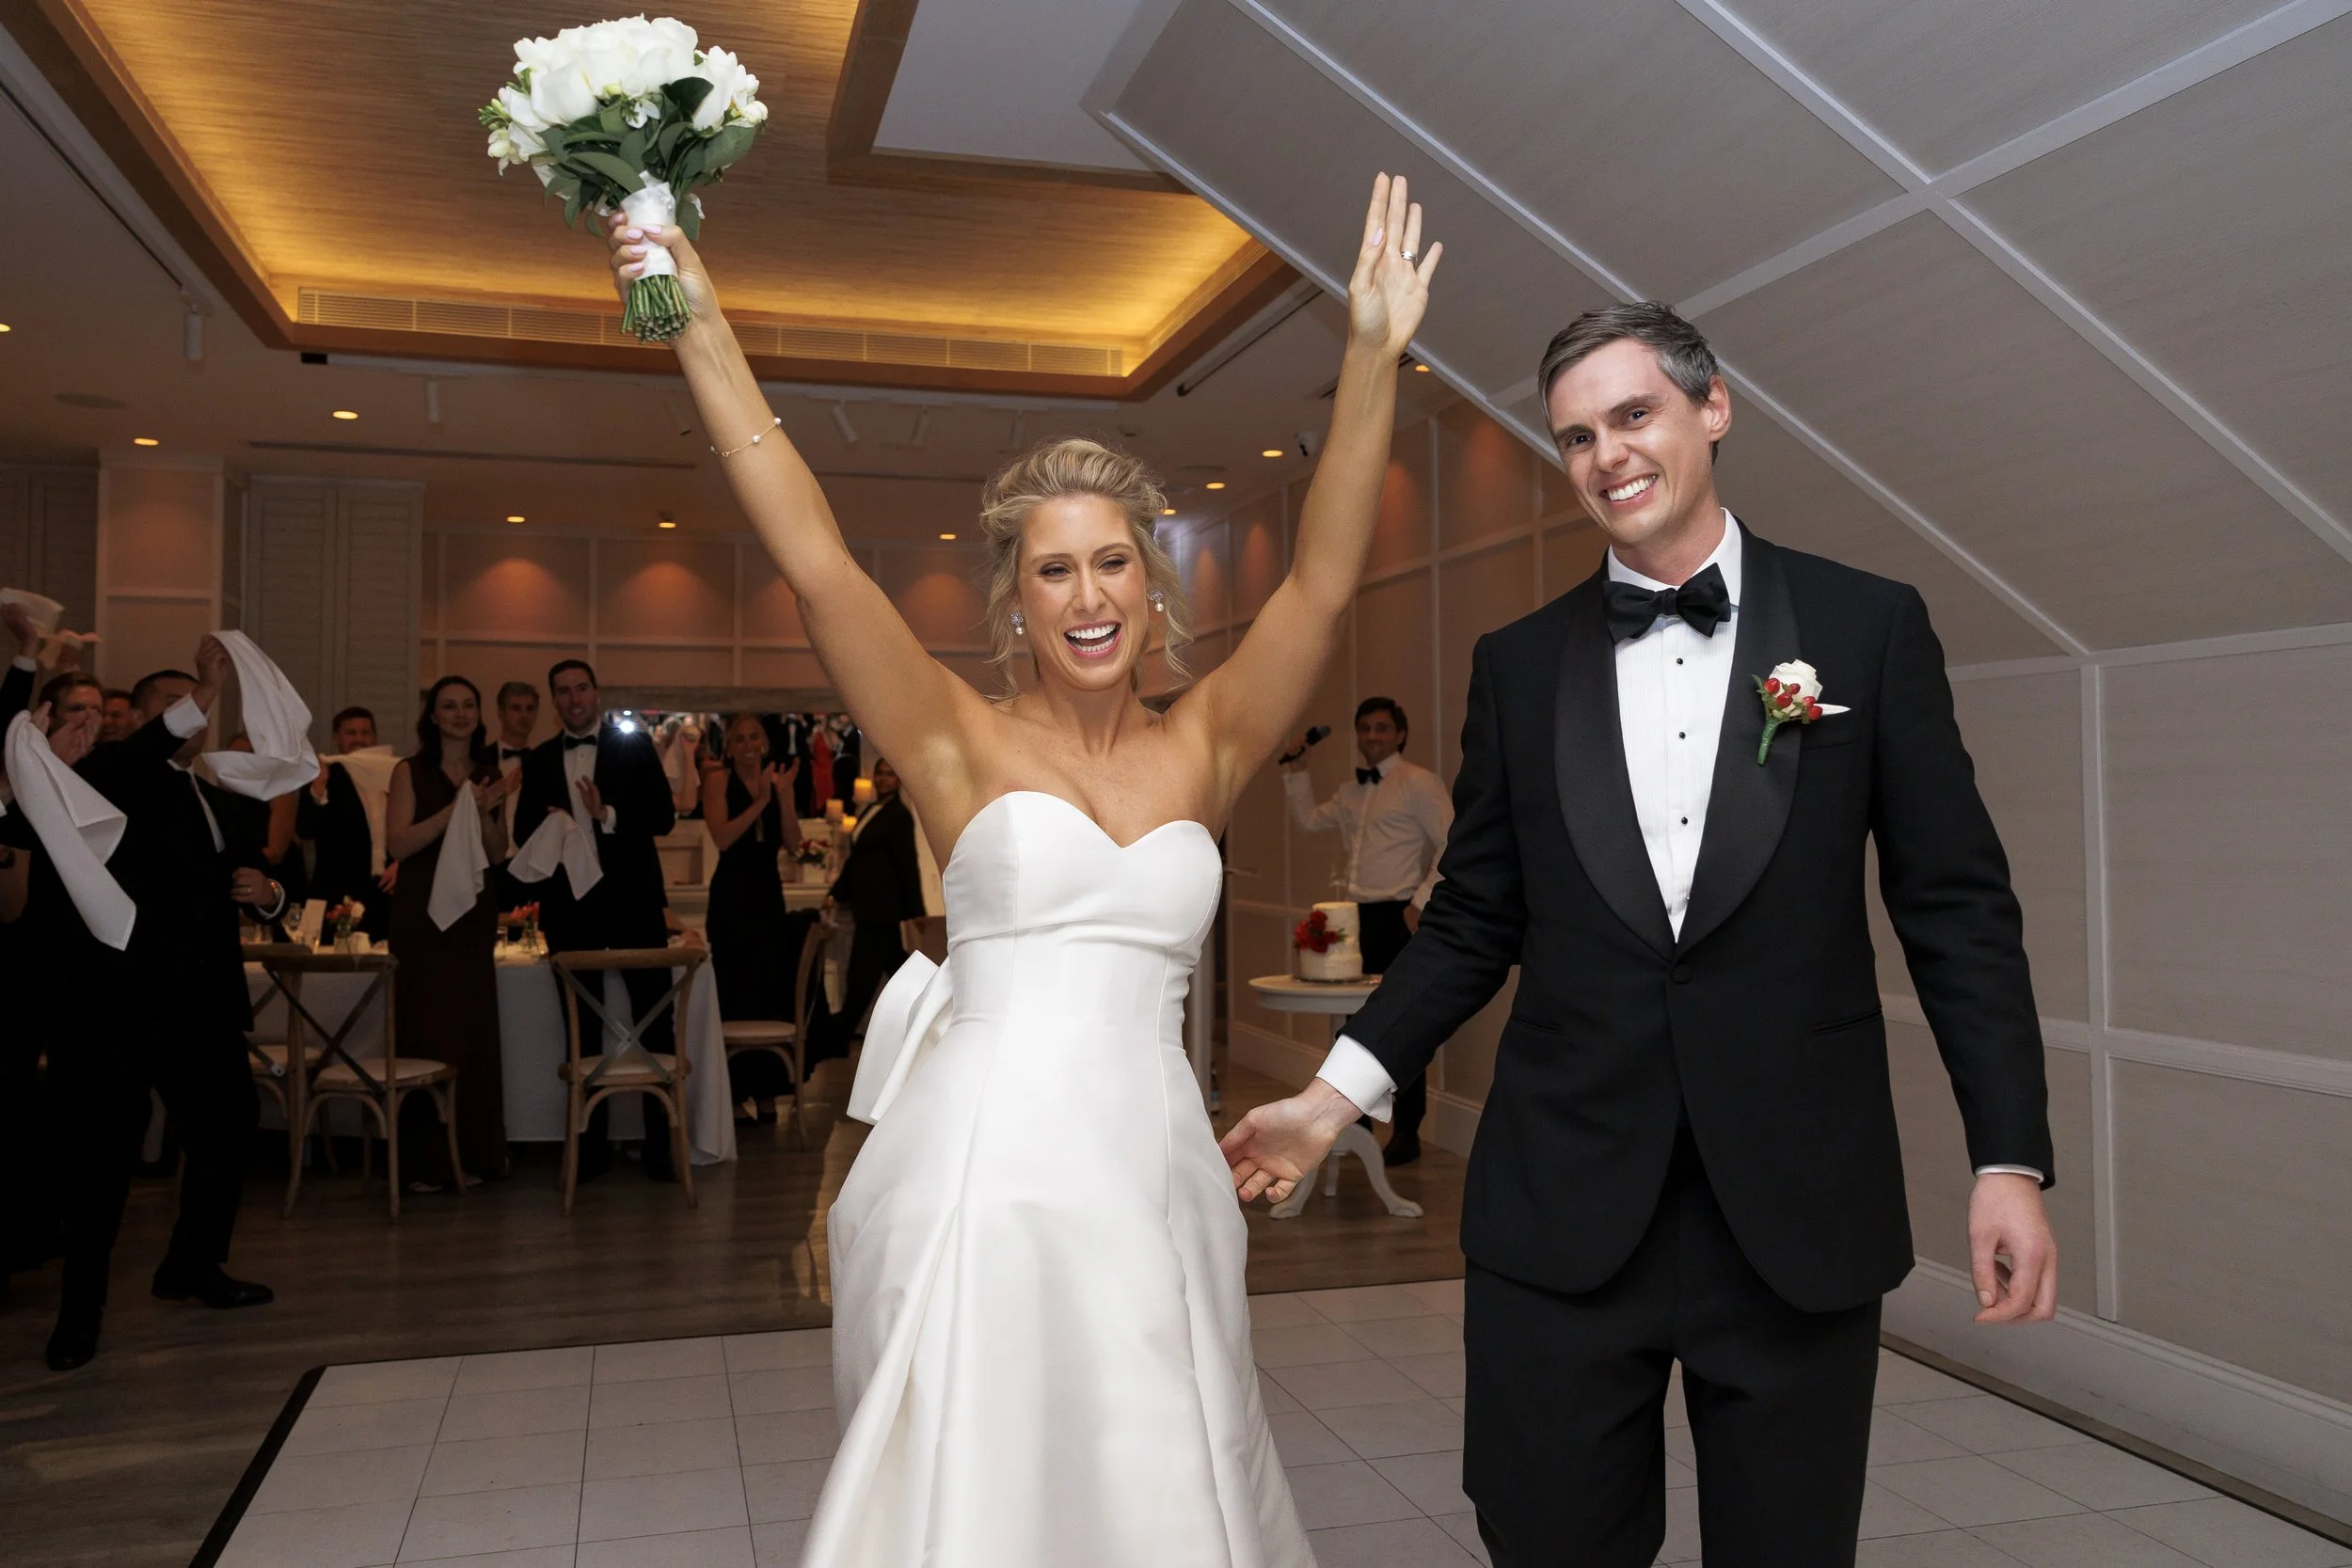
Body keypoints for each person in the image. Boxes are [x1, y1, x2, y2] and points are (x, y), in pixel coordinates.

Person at [605, 168, 1438, 1562]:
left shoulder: (1214, 736)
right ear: (1015, 601)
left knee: (1163, 1463)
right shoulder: (952, 740)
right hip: (983, 1166)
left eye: (1113, 563)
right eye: (1054, 572)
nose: (1090, 595)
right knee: (989, 1489)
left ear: (1151, 585)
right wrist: (700, 320)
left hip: (1156, 1158)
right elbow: (812, 555)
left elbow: (1324, 582)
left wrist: (1369, 355)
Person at [1223, 302, 2060, 1568]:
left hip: (1792, 1208)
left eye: (1633, 414)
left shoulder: (1866, 628)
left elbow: (1956, 908)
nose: (1606, 453)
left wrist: (2010, 1154)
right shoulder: (1520, 663)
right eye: (1574, 435)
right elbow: (1471, 918)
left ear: (1711, 408)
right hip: (1562, 1207)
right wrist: (1334, 1097)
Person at [49, 639, 283, 1370]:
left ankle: (191, 1264)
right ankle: (77, 1314)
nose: (198, 717)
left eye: (203, 706)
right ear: (146, 718)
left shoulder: (217, 796)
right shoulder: (109, 776)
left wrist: (270, 895)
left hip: (205, 1001)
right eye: (179, 706)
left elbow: (263, 877)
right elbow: (140, 755)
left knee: (227, 1125)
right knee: (104, 1160)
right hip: (120, 1004)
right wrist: (206, 690)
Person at [514, 658, 679, 1180]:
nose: (573, 698)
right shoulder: (539, 760)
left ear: (596, 691)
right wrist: (552, 828)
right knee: (579, 1030)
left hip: (634, 905)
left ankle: (661, 1148)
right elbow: (522, 831)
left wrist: (605, 815)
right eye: (562, 692)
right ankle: (585, 1153)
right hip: (572, 912)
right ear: (554, 701)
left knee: (655, 1021)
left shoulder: (633, 746)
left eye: (581, 688)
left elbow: (663, 818)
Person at [1280, 694, 1452, 1163]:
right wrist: (1296, 771)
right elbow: (1308, 821)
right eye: (1365, 729)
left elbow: (1453, 841)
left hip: (1398, 918)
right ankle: (1351, 1122)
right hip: (1353, 920)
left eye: (1381, 728)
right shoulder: (1350, 791)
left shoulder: (1418, 783)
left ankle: (1407, 1131)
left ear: (1399, 733)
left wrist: (1418, 904)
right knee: (1355, 1027)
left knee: (1405, 1026)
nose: (1372, 737)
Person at [386, 675, 517, 1189]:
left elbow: (496, 851)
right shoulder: (409, 771)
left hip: (474, 913)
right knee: (427, 1028)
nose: (460, 713)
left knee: (472, 1031)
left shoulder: (490, 772)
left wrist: (483, 811)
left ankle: (477, 1155)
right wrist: (455, 809)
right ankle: (426, 1164)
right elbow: (398, 845)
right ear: (433, 716)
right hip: (421, 915)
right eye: (449, 706)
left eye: (468, 704)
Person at [804, 754, 926, 1073]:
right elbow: (856, 861)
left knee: (862, 976)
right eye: (880, 774)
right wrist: (836, 893)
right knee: (895, 970)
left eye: (890, 774)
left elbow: (907, 864)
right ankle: (930, 1019)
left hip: (882, 910)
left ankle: (839, 1037)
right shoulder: (871, 810)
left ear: (898, 779)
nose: (884, 779)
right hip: (869, 908)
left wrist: (916, 910)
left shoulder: (899, 815)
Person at [299, 705, 392, 942]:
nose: (359, 739)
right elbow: (305, 829)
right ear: (336, 737)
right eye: (351, 733)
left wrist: (400, 863)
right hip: (340, 895)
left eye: (365, 732)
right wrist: (318, 790)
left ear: (374, 737)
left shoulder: (393, 774)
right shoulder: (325, 774)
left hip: (386, 893)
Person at [488, 680, 539, 909]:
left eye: (530, 708)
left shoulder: (543, 763)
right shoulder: (478, 760)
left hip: (530, 868)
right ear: (501, 713)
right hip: (486, 868)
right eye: (516, 708)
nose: (524, 715)